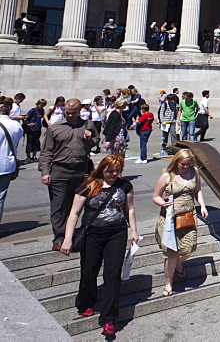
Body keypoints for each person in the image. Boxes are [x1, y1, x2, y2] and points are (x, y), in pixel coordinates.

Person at [59, 155, 138, 336]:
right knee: (89, 270)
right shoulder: (89, 186)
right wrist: (67, 239)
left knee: (112, 275)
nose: (113, 174)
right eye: (110, 170)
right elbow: (74, 214)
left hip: (117, 233)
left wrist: (134, 231)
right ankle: (86, 302)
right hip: (92, 234)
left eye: (117, 170)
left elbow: (130, 209)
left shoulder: (125, 186)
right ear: (101, 169)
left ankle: (108, 318)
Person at [39, 98, 98, 251]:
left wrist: (89, 138)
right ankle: (59, 236)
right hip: (60, 170)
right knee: (59, 205)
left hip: (81, 170)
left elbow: (96, 142)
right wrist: (45, 171)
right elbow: (46, 151)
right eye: (67, 112)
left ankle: (74, 234)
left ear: (80, 111)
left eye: (73, 113)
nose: (69, 115)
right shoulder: (55, 128)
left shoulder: (88, 125)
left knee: (79, 204)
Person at [151, 149, 208, 296]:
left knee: (189, 247)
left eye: (188, 164)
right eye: (183, 164)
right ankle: (169, 283)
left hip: (188, 217)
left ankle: (178, 264)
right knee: (170, 252)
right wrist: (162, 204)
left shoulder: (194, 172)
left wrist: (202, 205)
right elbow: (156, 196)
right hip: (170, 219)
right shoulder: (167, 176)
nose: (186, 166)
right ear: (176, 161)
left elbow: (198, 191)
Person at [0, 102, 24, 223]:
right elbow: (17, 139)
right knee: (0, 198)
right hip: (6, 165)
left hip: (5, 165)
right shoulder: (15, 125)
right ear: (9, 111)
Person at [23, 98, 45, 163]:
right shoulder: (32, 110)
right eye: (40, 104)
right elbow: (26, 118)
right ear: (37, 104)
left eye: (42, 105)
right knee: (30, 143)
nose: (41, 106)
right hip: (31, 129)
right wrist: (28, 124)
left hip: (38, 128)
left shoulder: (42, 110)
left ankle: (34, 156)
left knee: (36, 142)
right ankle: (28, 157)